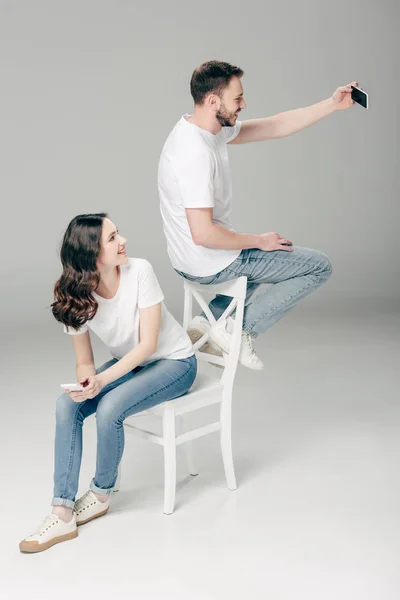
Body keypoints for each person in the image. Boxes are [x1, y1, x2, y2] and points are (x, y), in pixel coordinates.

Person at [158, 60, 357, 370]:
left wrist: (331, 105)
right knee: (318, 267)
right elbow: (204, 233)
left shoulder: (204, 129)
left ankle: (206, 320)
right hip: (207, 259)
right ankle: (237, 332)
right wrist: (258, 241)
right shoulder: (194, 153)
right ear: (213, 101)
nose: (243, 105)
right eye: (237, 99)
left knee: (260, 261)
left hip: (187, 257)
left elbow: (275, 125)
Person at [19, 213, 196, 553]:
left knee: (110, 408)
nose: (123, 240)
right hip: (129, 364)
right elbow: (84, 359)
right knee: (66, 405)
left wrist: (102, 380)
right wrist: (87, 378)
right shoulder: (71, 293)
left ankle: (101, 493)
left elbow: (148, 345)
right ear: (91, 254)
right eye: (113, 238)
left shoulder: (140, 271)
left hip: (174, 362)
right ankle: (62, 510)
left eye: (119, 233)